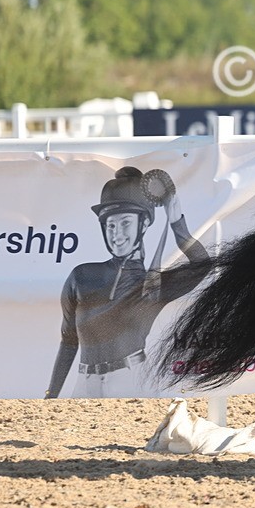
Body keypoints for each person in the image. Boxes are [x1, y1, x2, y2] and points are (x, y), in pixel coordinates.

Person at [45, 167, 210, 398]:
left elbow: (202, 265)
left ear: (143, 225)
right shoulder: (81, 275)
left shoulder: (155, 285)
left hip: (130, 380)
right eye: (110, 225)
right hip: (85, 382)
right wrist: (51, 394)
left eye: (125, 223)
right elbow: (69, 340)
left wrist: (176, 222)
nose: (117, 233)